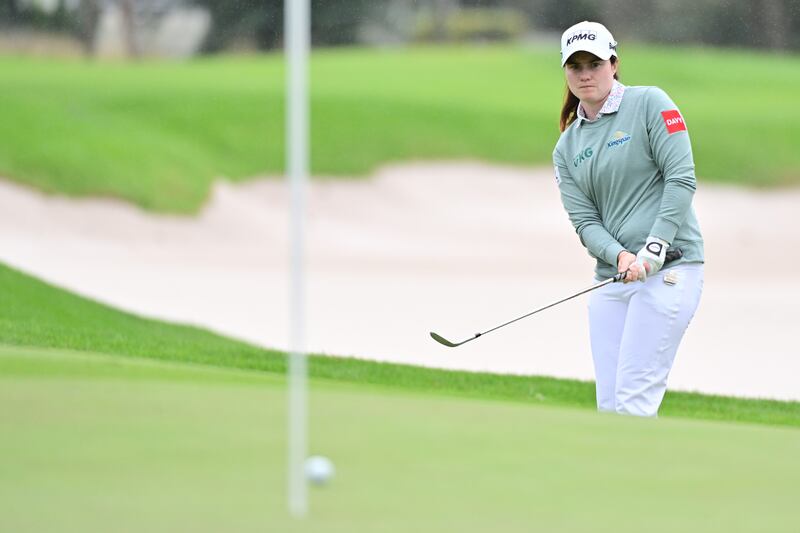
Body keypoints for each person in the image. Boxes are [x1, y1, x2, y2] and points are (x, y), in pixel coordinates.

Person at [552, 21, 705, 417]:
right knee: (609, 406)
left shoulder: (650, 103)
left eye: (595, 63)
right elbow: (585, 221)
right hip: (612, 279)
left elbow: (681, 178)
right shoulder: (567, 146)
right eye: (576, 65)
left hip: (670, 271)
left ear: (614, 63)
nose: (585, 74)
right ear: (565, 72)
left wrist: (654, 248)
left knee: (634, 400)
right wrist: (620, 256)